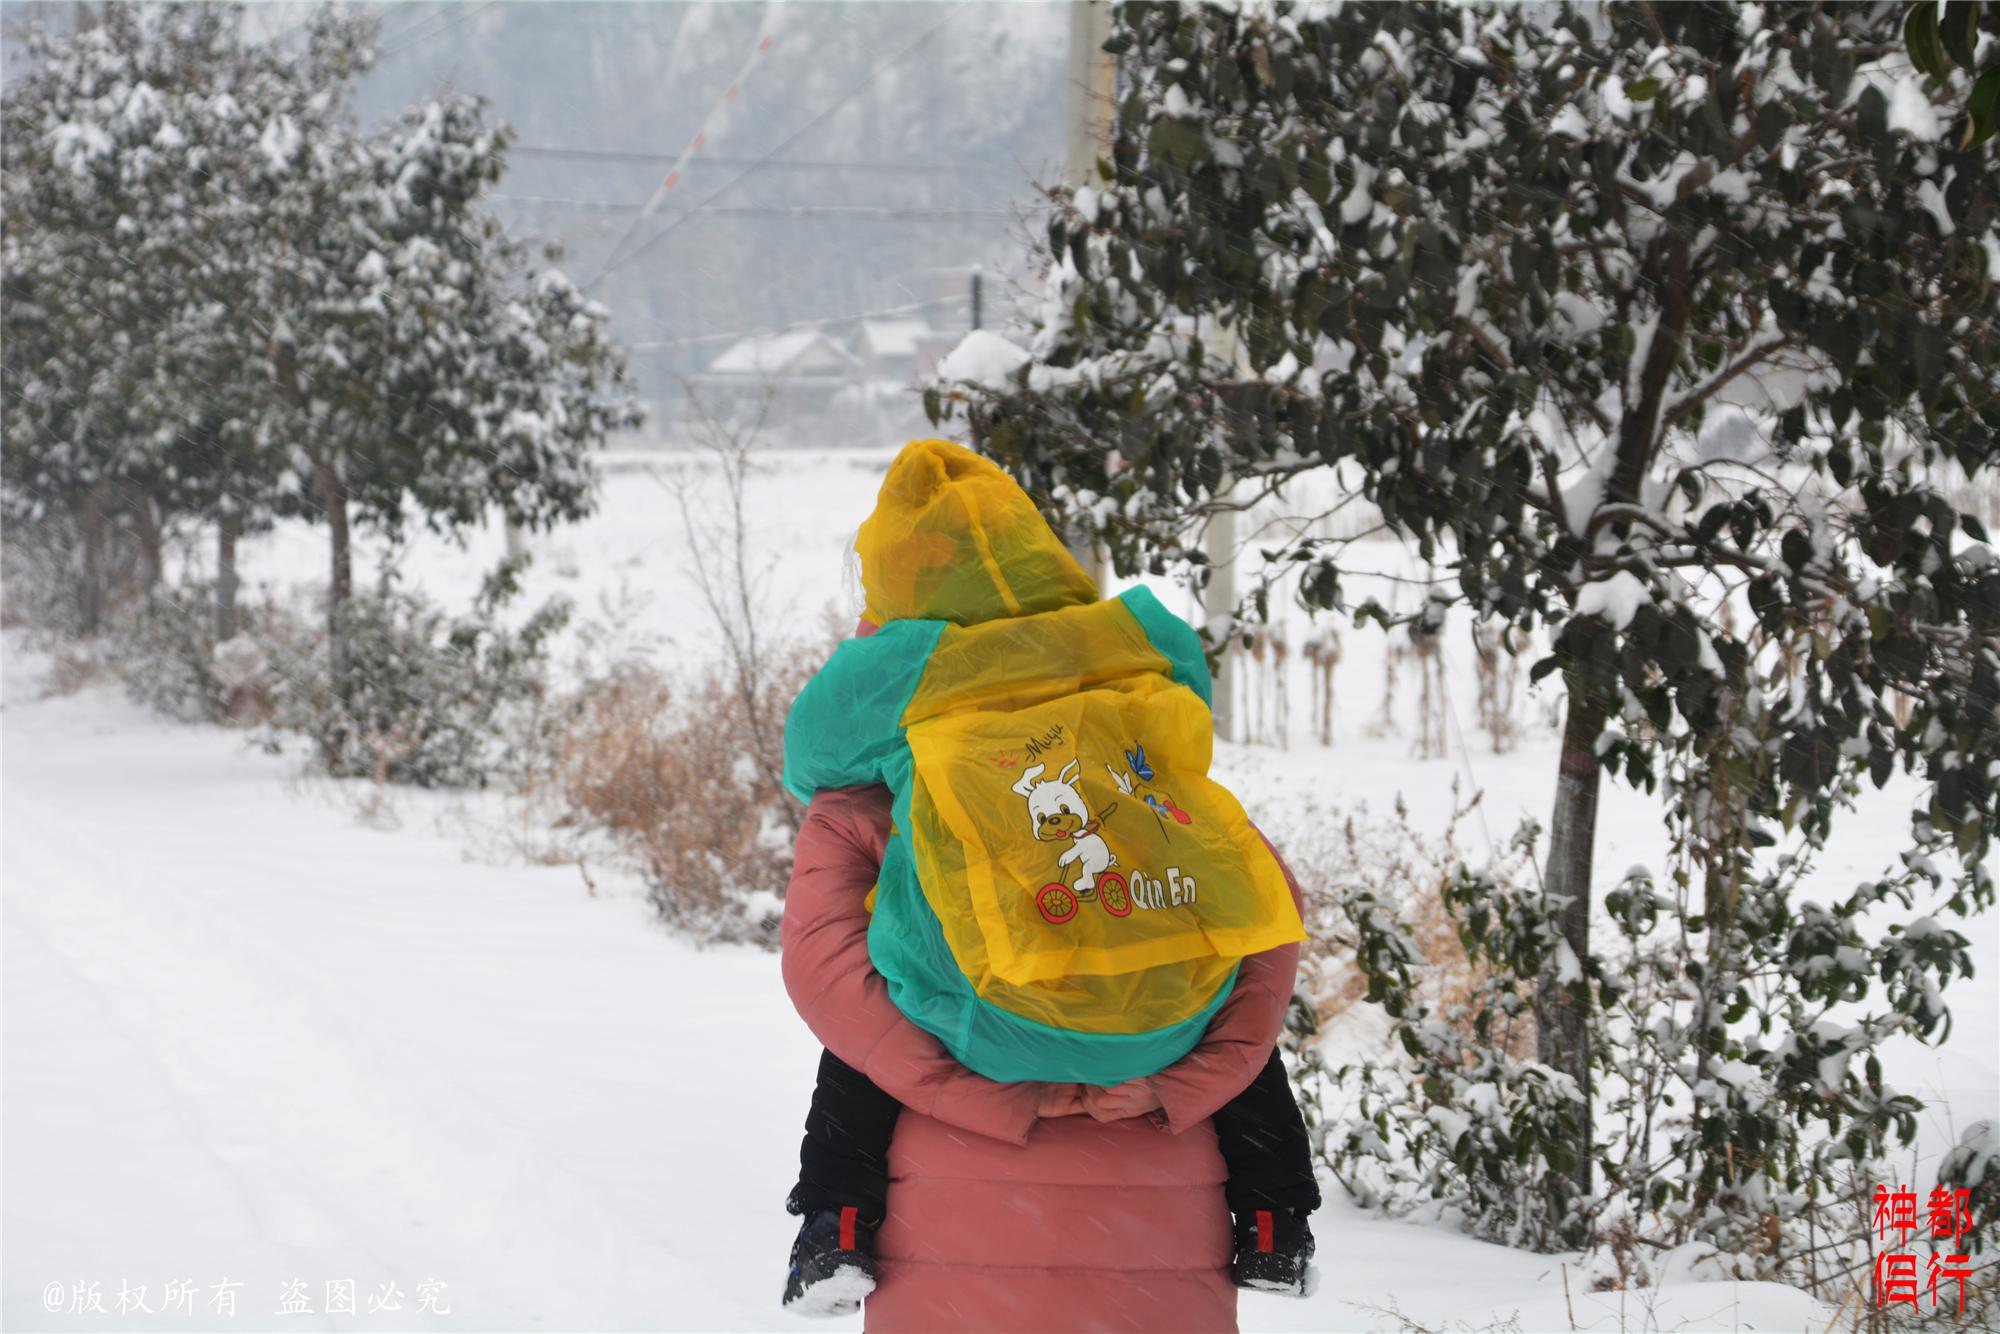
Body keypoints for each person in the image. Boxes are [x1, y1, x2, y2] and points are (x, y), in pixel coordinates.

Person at [778, 440, 1322, 1326]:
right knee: (1206, 935)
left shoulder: (881, 751)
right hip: (1161, 1108)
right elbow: (1263, 914)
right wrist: (1173, 1083)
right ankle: (1277, 1219)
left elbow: (830, 975)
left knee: (881, 1002)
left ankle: (832, 1229)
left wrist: (982, 1089)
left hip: (972, 1083)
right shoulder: (1132, 717)